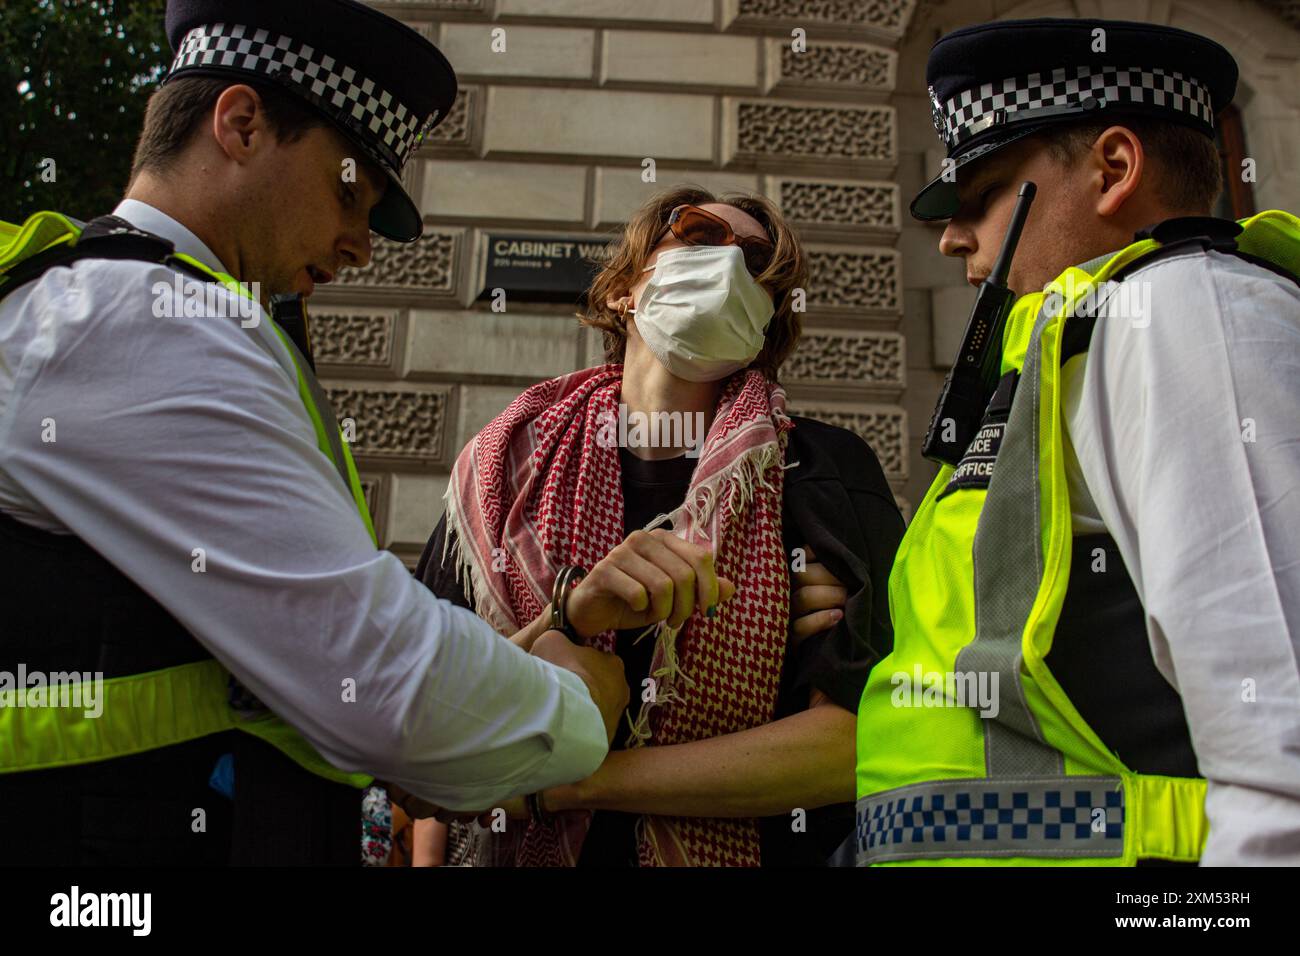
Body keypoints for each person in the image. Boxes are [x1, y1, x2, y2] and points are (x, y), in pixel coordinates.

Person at [0, 0, 728, 865]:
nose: (359, 249)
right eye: (353, 193)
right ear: (240, 124)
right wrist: (574, 700)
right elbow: (379, 677)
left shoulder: (130, 305)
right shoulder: (155, 322)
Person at [854, 17, 1300, 866]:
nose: (952, 236)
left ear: (1114, 170)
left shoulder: (1185, 313)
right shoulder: (1071, 348)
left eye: (980, 193)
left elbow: (1281, 733)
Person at [415, 186, 905, 866]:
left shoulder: (819, 470)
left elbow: (860, 741)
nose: (731, 264)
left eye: (761, 261)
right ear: (623, 288)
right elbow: (421, 722)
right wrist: (568, 619)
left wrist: (569, 787)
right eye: (699, 235)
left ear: (765, 323)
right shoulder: (506, 468)